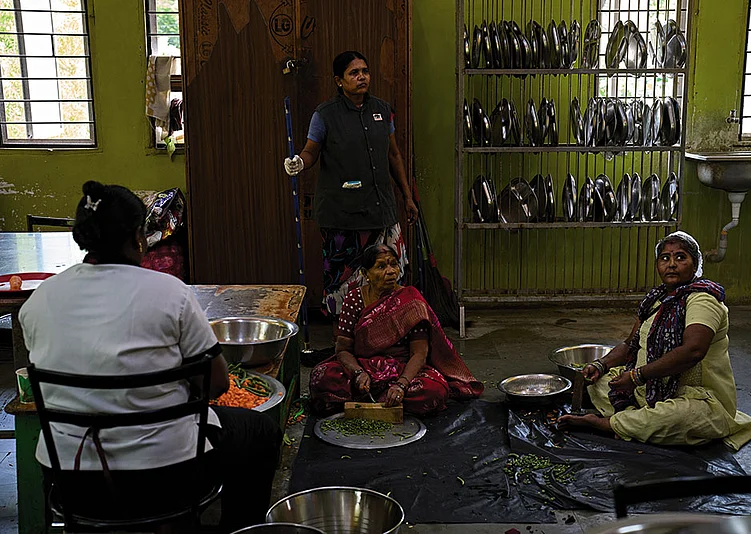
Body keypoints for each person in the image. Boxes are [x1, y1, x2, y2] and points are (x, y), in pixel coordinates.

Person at [19, 180, 281, 532]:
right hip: (166, 476)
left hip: (73, 480)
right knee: (259, 431)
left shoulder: (39, 300)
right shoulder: (170, 292)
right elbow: (217, 383)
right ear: (138, 237)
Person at [557, 231, 751, 451]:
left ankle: (608, 423)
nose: (671, 264)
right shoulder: (657, 300)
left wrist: (636, 376)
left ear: (695, 265)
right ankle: (635, 422)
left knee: (682, 416)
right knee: (601, 381)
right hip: (652, 388)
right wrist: (600, 364)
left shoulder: (703, 299)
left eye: (681, 257)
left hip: (699, 399)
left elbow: (693, 351)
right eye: (665, 258)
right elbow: (629, 344)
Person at [283, 50, 418, 352]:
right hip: (342, 216)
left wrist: (406, 196)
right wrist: (299, 163)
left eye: (365, 71)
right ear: (339, 81)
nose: (361, 77)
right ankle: (342, 347)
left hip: (381, 209)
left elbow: (393, 155)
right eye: (354, 73)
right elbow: (310, 151)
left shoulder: (382, 110)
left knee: (388, 275)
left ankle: (384, 339)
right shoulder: (326, 114)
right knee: (342, 283)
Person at [309, 244, 483, 414]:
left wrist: (401, 384)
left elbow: (419, 353)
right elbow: (343, 349)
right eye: (381, 266)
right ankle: (383, 400)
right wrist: (358, 373)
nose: (391, 271)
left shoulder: (410, 300)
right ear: (365, 274)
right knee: (322, 378)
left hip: (402, 368)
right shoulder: (354, 299)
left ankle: (370, 400)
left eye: (394, 264)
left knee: (434, 392)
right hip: (364, 366)